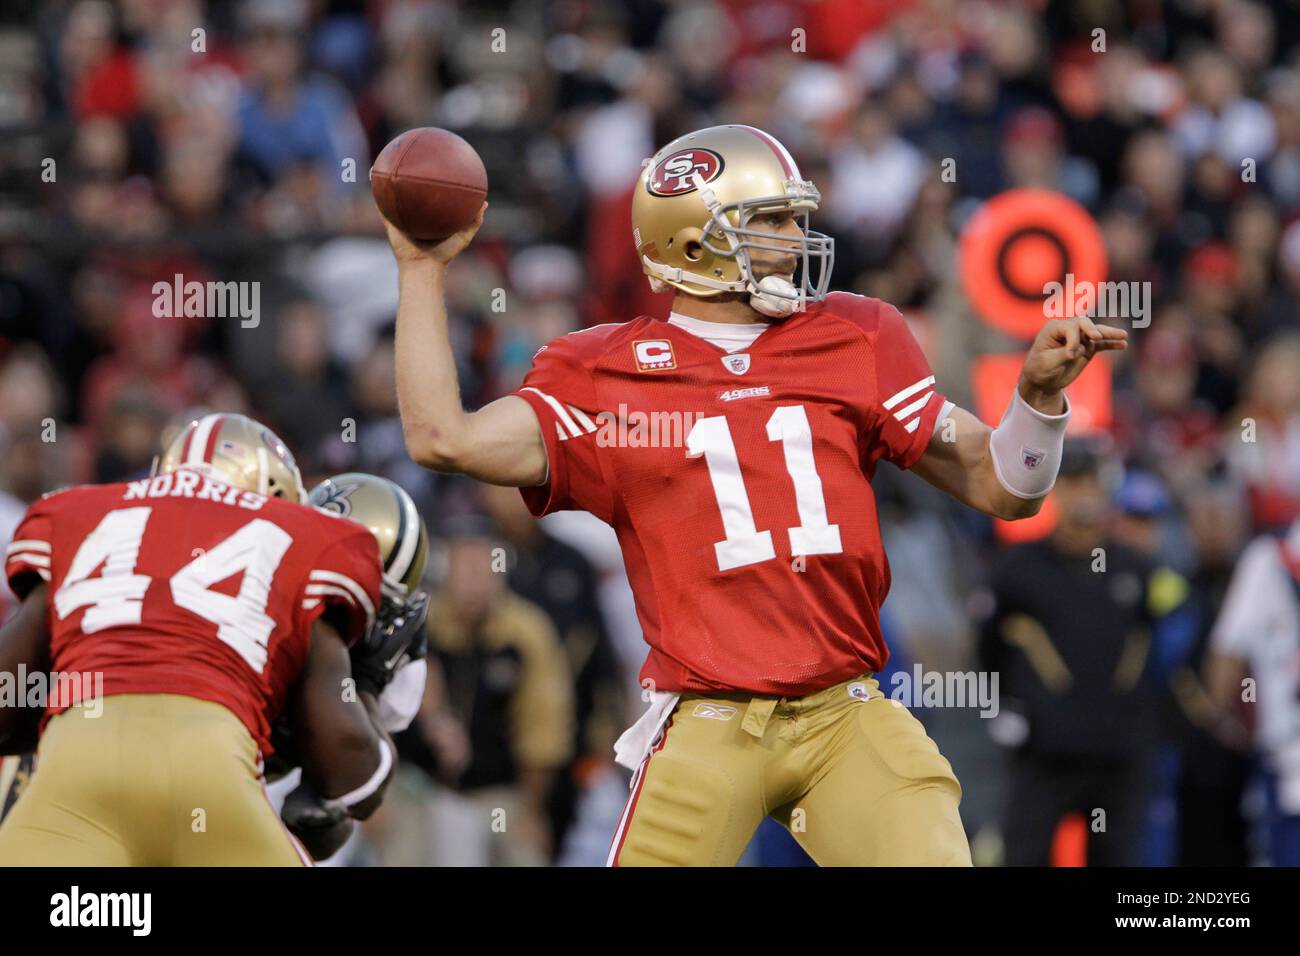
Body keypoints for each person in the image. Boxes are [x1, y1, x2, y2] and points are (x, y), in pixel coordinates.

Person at [384, 124, 1126, 866]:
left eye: (795, 216)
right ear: (692, 242)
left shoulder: (856, 334)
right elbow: (442, 438)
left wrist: (1035, 402)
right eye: (771, 220)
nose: (796, 236)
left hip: (846, 711)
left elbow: (1006, 490)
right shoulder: (603, 372)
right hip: (710, 717)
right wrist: (420, 268)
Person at [0, 414, 398, 865]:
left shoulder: (75, 512)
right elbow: (355, 776)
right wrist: (365, 685)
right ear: (279, 495)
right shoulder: (306, 537)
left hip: (74, 770)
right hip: (209, 773)